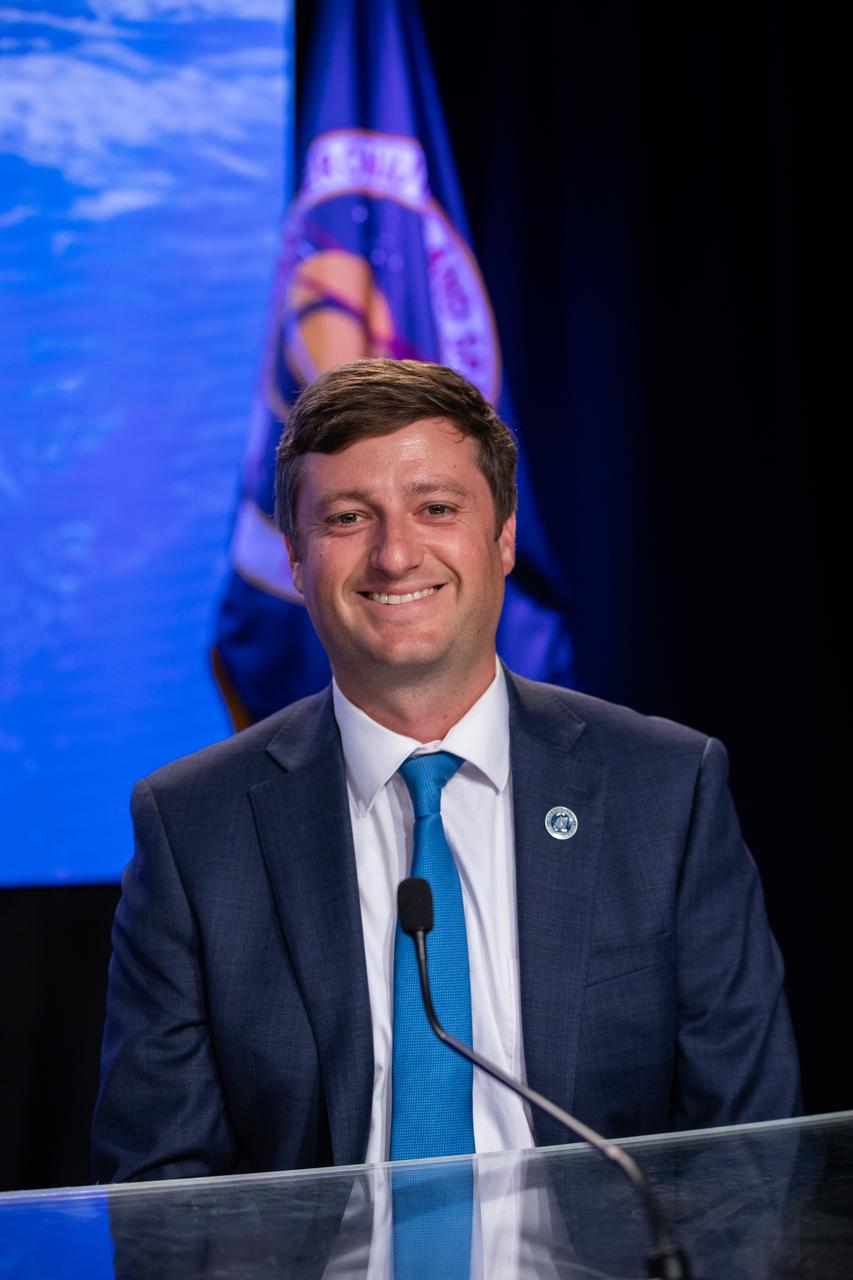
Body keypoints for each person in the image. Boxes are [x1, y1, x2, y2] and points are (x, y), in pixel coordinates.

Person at [92, 358, 800, 1183]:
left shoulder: (666, 789)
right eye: (349, 518)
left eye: (435, 509)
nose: (395, 555)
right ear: (292, 557)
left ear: (501, 537)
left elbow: (746, 1148)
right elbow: (161, 1185)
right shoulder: (192, 826)